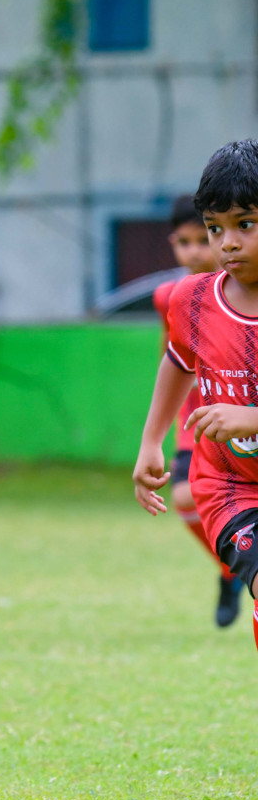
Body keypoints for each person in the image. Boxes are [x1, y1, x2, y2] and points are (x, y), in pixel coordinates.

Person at [149, 195, 243, 627]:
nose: (195, 252)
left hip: (241, 410)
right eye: (184, 242)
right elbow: (176, 356)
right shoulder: (173, 296)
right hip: (200, 415)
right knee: (185, 495)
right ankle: (230, 569)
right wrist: (155, 434)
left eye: (198, 241)